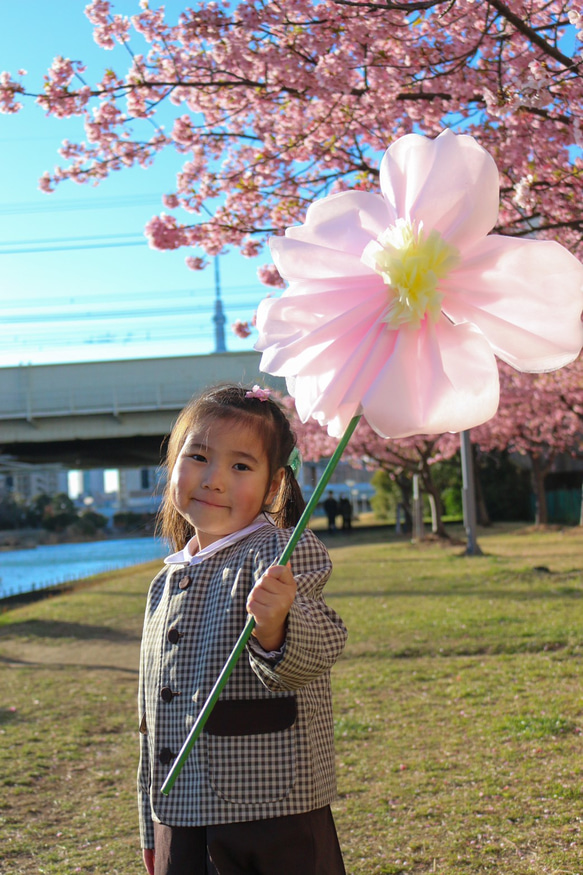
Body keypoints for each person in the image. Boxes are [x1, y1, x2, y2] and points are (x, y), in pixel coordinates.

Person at [138, 384, 348, 875]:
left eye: (240, 466)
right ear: (173, 465)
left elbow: (316, 651)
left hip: (271, 818)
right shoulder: (163, 582)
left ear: (274, 485)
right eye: (198, 457)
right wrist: (152, 831)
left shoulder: (280, 555)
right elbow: (151, 721)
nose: (213, 480)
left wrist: (276, 625)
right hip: (180, 817)